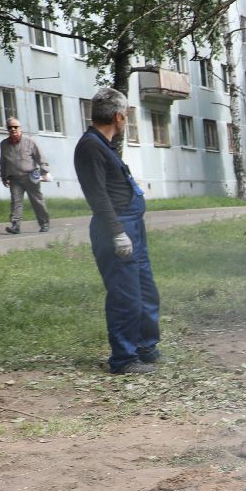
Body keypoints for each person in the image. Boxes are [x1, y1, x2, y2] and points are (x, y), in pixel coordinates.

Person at [73, 87, 161, 376]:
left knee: (145, 291)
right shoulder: (90, 147)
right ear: (118, 117)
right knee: (125, 296)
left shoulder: (104, 144)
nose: (126, 120)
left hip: (132, 227)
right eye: (126, 116)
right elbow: (97, 195)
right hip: (117, 229)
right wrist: (117, 232)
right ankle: (124, 358)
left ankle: (145, 347)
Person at [0, 117, 50, 234]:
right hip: (14, 178)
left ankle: (44, 223)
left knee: (37, 201)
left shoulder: (29, 142)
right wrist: (3, 176)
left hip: (31, 176)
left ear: (20, 128)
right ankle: (15, 225)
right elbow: (3, 161)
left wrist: (44, 171)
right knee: (16, 202)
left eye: (15, 127)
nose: (13, 129)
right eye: (10, 127)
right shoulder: (4, 144)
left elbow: (40, 157)